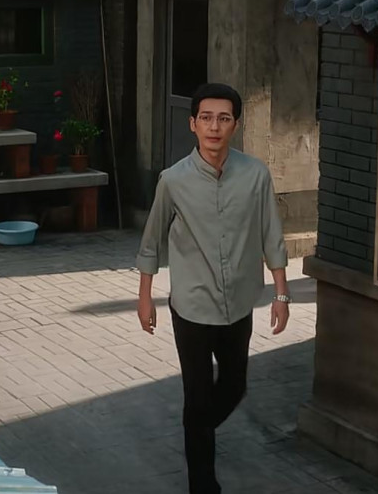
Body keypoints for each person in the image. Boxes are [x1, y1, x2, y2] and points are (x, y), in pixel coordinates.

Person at [136, 83, 291, 494]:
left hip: (239, 303)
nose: (214, 127)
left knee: (234, 387)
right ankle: (203, 485)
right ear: (193, 124)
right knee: (198, 395)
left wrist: (281, 293)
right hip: (191, 306)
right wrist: (145, 297)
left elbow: (271, 234)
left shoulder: (255, 175)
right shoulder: (173, 181)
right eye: (206, 118)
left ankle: (197, 428)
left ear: (235, 125)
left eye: (223, 119)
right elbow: (151, 242)